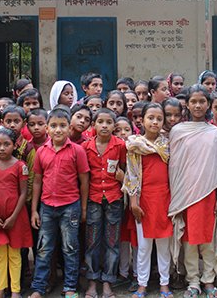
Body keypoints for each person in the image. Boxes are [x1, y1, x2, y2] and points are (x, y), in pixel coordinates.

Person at [169, 85, 217, 298]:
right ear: (187, 103)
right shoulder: (178, 131)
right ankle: (193, 281)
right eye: (193, 101)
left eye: (202, 101)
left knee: (208, 240)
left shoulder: (214, 133)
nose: (197, 105)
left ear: (208, 104)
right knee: (188, 240)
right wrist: (176, 196)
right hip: (186, 195)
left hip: (208, 195)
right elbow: (174, 167)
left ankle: (209, 280)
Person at [29, 109, 89, 298]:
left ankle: (70, 287)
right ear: (47, 128)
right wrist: (34, 210)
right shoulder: (41, 152)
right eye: (53, 126)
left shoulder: (77, 151)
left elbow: (84, 181)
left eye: (62, 126)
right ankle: (38, 288)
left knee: (70, 248)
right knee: (44, 249)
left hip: (70, 206)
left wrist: (84, 209)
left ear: (69, 128)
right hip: (47, 207)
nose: (58, 130)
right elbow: (37, 181)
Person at [123, 103, 172, 298]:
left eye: (159, 119)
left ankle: (164, 284)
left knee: (164, 244)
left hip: (165, 199)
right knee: (143, 246)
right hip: (144, 200)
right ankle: (142, 284)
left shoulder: (168, 145)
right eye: (150, 117)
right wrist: (134, 202)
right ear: (141, 120)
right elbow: (132, 176)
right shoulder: (135, 145)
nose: (155, 122)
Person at [0, 127, 33, 298]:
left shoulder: (21, 166)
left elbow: (24, 193)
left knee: (15, 253)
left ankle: (16, 290)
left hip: (15, 217)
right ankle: (0, 289)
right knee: (0, 254)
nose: (2, 148)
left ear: (14, 146)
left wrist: (13, 217)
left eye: (6, 144)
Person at [83, 109, 126, 298]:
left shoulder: (120, 146)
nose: (104, 125)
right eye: (100, 122)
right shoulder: (86, 147)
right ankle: (92, 281)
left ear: (114, 126)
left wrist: (122, 178)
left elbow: (125, 169)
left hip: (114, 198)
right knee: (92, 241)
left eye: (109, 122)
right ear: (94, 125)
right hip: (93, 199)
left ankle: (108, 281)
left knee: (112, 242)